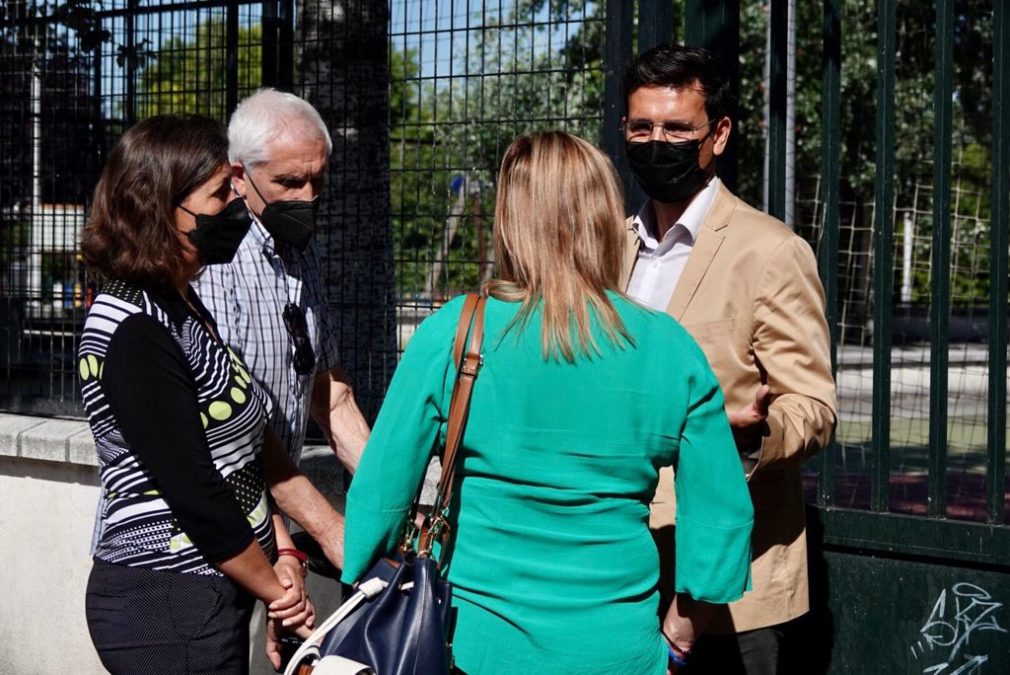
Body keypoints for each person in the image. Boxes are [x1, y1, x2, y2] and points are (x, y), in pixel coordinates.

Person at [340, 131, 754, 674]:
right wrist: (678, 636)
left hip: (473, 644)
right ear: (606, 215)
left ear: (511, 220)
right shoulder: (670, 349)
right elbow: (722, 515)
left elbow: (378, 497)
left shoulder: (457, 334)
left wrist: (361, 585)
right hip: (617, 649)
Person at [79, 114, 344, 673]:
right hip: (164, 604)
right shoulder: (133, 329)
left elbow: (244, 451)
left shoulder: (178, 305)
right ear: (160, 206)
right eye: (220, 192)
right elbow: (195, 489)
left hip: (207, 596)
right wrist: (279, 592)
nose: (234, 204)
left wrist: (286, 552)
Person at [620, 45, 838, 673]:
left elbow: (813, 405)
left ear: (717, 135)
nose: (657, 143)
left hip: (731, 585)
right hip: (625, 563)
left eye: (678, 129)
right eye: (642, 127)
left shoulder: (770, 251)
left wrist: (749, 440)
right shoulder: (608, 243)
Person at [194, 88, 370, 485]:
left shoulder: (302, 252)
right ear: (239, 177)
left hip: (272, 519)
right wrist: (316, 526)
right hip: (216, 523)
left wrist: (391, 497)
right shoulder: (214, 260)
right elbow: (223, 426)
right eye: (289, 182)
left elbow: (330, 393)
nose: (307, 197)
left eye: (317, 179)